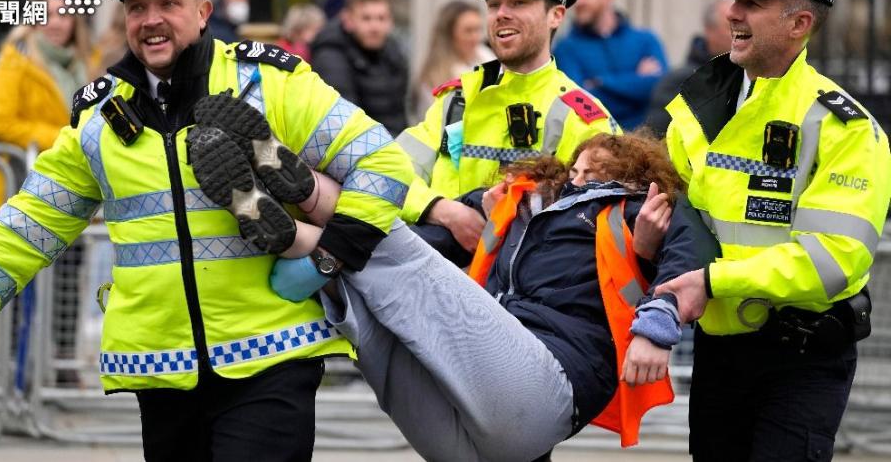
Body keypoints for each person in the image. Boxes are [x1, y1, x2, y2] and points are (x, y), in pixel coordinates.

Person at [0, 0, 412, 461]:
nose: (151, 19)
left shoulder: (272, 83)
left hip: (272, 360)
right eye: (137, 7)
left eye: (168, 3)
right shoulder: (100, 119)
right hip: (160, 369)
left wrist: (328, 256)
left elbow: (381, 163)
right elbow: (33, 219)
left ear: (203, 11)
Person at [241, 130, 718, 460]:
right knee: (376, 333)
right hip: (483, 427)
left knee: (403, 264)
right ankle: (315, 251)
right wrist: (452, 211)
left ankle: (302, 208)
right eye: (574, 169)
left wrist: (657, 322)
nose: (576, 179)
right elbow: (427, 241)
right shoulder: (520, 201)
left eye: (594, 174)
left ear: (634, 177)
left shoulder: (638, 209)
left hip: (549, 381)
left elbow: (691, 252)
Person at [657, 0, 891, 461]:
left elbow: (832, 260)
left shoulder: (846, 129)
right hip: (718, 352)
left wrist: (713, 280)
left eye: (751, 3)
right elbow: (681, 215)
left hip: (801, 357)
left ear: (799, 24)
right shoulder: (696, 108)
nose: (732, 11)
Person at [397, 0, 616, 258]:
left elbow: (594, 231)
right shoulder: (455, 100)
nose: (501, 14)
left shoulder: (582, 118)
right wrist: (442, 210)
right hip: (432, 283)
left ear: (556, 15)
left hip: (521, 298)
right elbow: (386, 172)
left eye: (518, 2)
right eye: (493, 4)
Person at [0, 0, 96, 212]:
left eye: (63, 14)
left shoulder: (89, 62)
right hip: (24, 182)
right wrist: (67, 139)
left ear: (75, 21)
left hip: (78, 183)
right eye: (47, 14)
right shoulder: (15, 60)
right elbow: (2, 124)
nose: (55, 23)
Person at [552, 0, 668, 130]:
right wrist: (635, 80)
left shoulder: (646, 40)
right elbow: (578, 101)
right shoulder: (565, 49)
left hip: (647, 145)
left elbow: (659, 90)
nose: (578, 2)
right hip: (596, 145)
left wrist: (600, 82)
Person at [310, 0, 409, 136]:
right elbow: (345, 121)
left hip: (393, 144)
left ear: (390, 22)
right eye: (366, 18)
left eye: (381, 18)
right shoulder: (330, 55)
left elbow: (399, 115)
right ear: (348, 21)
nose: (375, 26)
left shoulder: (392, 52)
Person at [646, 0, 733, 136]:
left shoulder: (755, 76)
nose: (740, 32)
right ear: (709, 30)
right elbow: (655, 137)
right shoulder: (680, 81)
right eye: (731, 26)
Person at [411, 0, 495, 123]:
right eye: (468, 31)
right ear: (449, 35)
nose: (475, 37)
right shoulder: (435, 76)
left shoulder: (488, 58)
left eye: (478, 29)